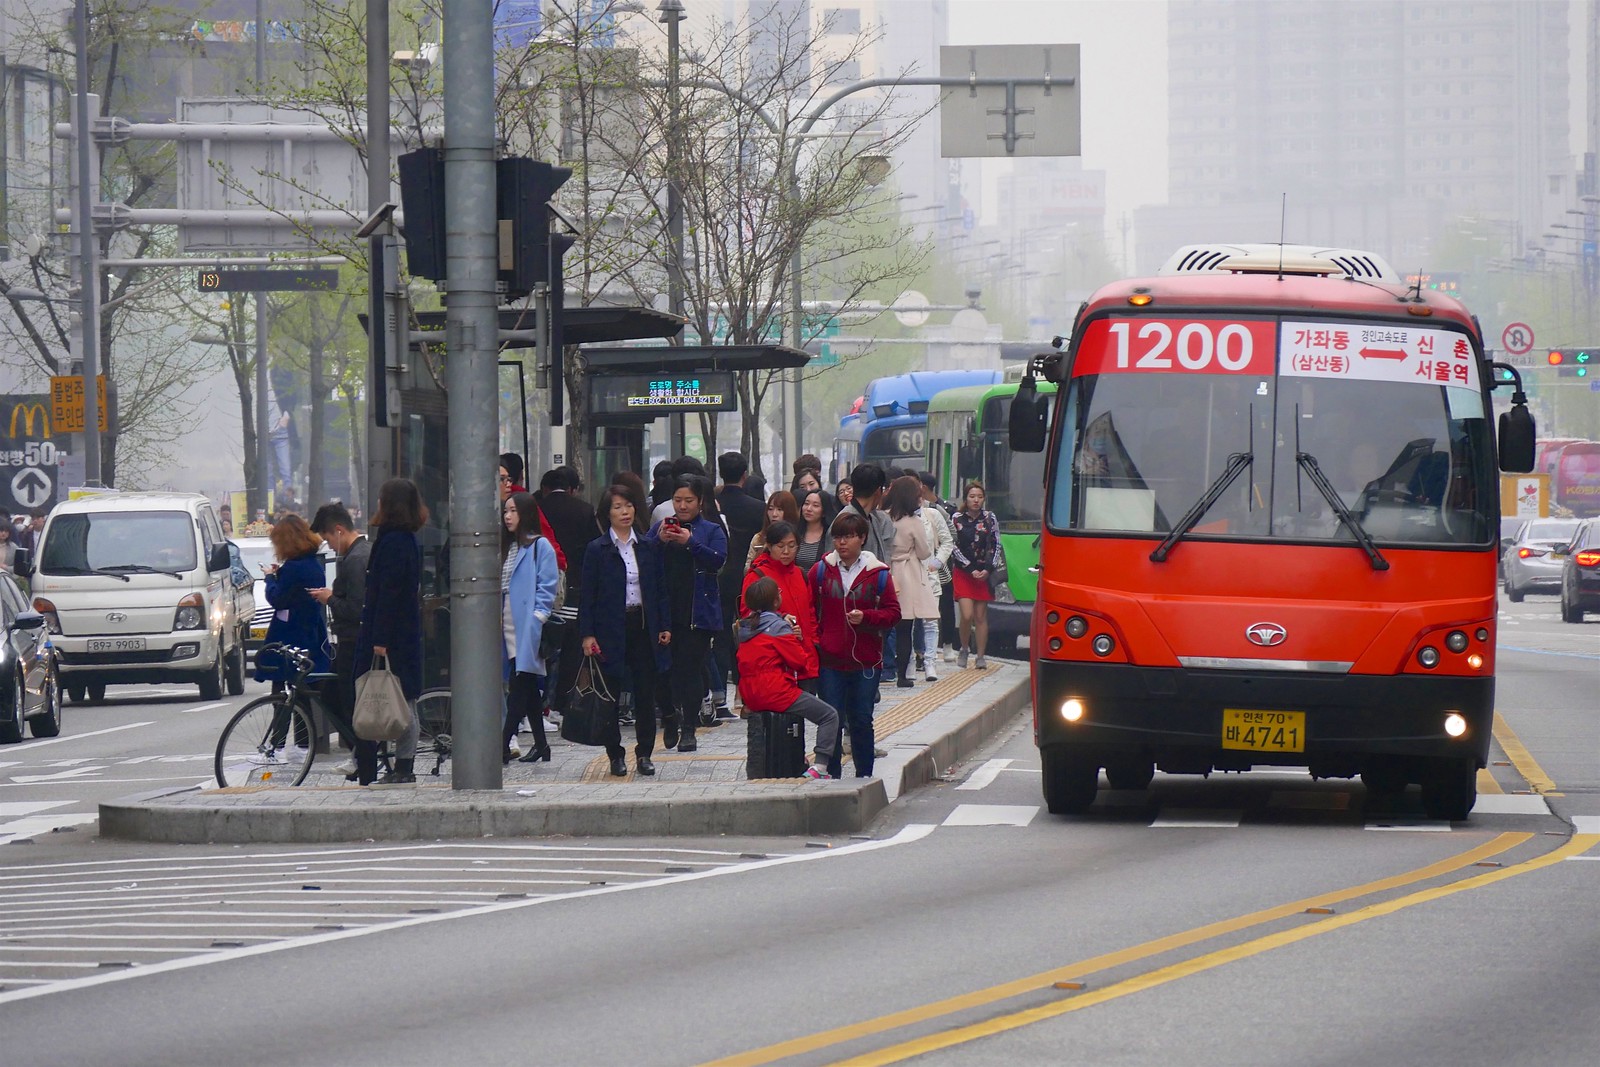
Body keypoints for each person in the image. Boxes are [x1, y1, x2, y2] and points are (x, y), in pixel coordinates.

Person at [579, 485, 671, 777]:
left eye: (629, 505)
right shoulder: (598, 549)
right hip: (610, 630)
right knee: (610, 696)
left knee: (645, 694)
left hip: (642, 627)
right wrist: (587, 634)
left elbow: (659, 590)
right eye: (617, 507)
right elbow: (588, 596)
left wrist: (664, 625)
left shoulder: (647, 546)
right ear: (608, 513)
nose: (624, 512)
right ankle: (614, 754)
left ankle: (644, 753)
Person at [810, 511, 900, 779]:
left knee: (862, 718)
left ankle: (864, 775)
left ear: (862, 538)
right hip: (830, 660)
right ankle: (832, 775)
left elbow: (893, 613)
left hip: (866, 661)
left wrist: (867, 617)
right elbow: (810, 612)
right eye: (838, 537)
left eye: (848, 537)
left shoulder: (878, 573)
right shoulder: (820, 571)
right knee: (832, 719)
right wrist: (819, 640)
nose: (842, 543)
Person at [645, 475, 727, 752]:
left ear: (700, 502)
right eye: (677, 500)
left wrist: (691, 542)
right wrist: (658, 540)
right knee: (663, 671)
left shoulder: (711, 529)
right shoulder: (660, 528)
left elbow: (718, 560)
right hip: (664, 610)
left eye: (688, 501)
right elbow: (640, 557)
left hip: (698, 611)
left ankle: (689, 727)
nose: (682, 506)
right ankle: (670, 716)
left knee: (690, 670)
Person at [354, 478, 427, 785]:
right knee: (400, 697)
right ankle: (399, 763)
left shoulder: (394, 542)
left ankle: (404, 766)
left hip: (392, 636)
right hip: (401, 633)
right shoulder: (403, 539)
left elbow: (389, 593)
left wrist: (380, 639)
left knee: (399, 700)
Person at [736, 576, 838, 780]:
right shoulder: (779, 627)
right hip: (775, 690)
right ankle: (821, 767)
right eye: (779, 593)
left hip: (751, 693)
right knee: (829, 716)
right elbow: (799, 662)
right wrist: (794, 637)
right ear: (775, 601)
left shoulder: (745, 628)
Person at [309, 502, 370, 781]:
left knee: (346, 700)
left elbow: (357, 609)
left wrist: (329, 598)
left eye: (328, 540)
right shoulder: (358, 554)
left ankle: (364, 755)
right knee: (341, 696)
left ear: (339, 530)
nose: (330, 547)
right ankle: (362, 754)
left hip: (353, 640)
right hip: (351, 640)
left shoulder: (356, 559)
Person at [499, 491, 561, 764]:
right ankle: (541, 745)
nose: (508, 516)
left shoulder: (540, 546)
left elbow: (547, 588)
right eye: (505, 511)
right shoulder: (508, 546)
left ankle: (501, 745)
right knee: (525, 687)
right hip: (508, 624)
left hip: (528, 626)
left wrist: (537, 619)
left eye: (513, 511)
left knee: (519, 686)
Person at [537, 465, 596, 712]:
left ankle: (543, 701)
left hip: (541, 586)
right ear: (571, 489)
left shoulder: (536, 508)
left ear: (544, 489)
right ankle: (563, 699)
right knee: (570, 643)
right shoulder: (583, 510)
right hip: (573, 585)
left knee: (543, 645)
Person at [254, 514, 330, 695]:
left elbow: (277, 599)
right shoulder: (313, 564)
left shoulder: (292, 568)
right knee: (307, 685)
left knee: (281, 685)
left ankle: (282, 721)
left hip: (289, 633)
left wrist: (270, 578)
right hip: (311, 631)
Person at [741, 521, 817, 691]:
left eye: (792, 546)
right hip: (774, 659)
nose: (786, 552)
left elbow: (810, 613)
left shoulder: (800, 574)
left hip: (804, 656)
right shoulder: (758, 575)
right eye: (780, 546)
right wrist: (782, 620)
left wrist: (813, 643)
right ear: (769, 545)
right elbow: (748, 613)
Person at [885, 476, 938, 687]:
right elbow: (925, 552)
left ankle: (880, 669)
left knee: (883, 626)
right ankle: (902, 676)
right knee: (905, 628)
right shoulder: (914, 522)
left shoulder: (883, 517)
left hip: (885, 570)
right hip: (906, 574)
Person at [950, 481, 1001, 670]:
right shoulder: (956, 518)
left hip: (984, 573)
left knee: (980, 616)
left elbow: (997, 544)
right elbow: (952, 546)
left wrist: (988, 568)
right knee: (967, 614)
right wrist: (969, 567)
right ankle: (964, 647)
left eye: (979, 497)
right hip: (964, 572)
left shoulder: (990, 518)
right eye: (972, 496)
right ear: (965, 498)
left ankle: (980, 655)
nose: (976, 500)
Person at [916, 471, 954, 679]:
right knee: (910, 621)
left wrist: (937, 561)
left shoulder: (933, 514)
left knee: (930, 620)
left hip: (930, 575)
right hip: (908, 574)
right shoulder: (897, 515)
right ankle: (912, 662)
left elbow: (948, 541)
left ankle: (931, 662)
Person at [745, 490, 800, 570]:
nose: (774, 514)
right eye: (770, 509)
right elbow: (747, 569)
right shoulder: (759, 538)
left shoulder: (799, 536)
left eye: (779, 509)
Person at [794, 488, 835, 575]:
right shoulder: (795, 532)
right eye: (806, 503)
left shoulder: (830, 535)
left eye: (815, 505)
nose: (809, 509)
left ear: (824, 512)